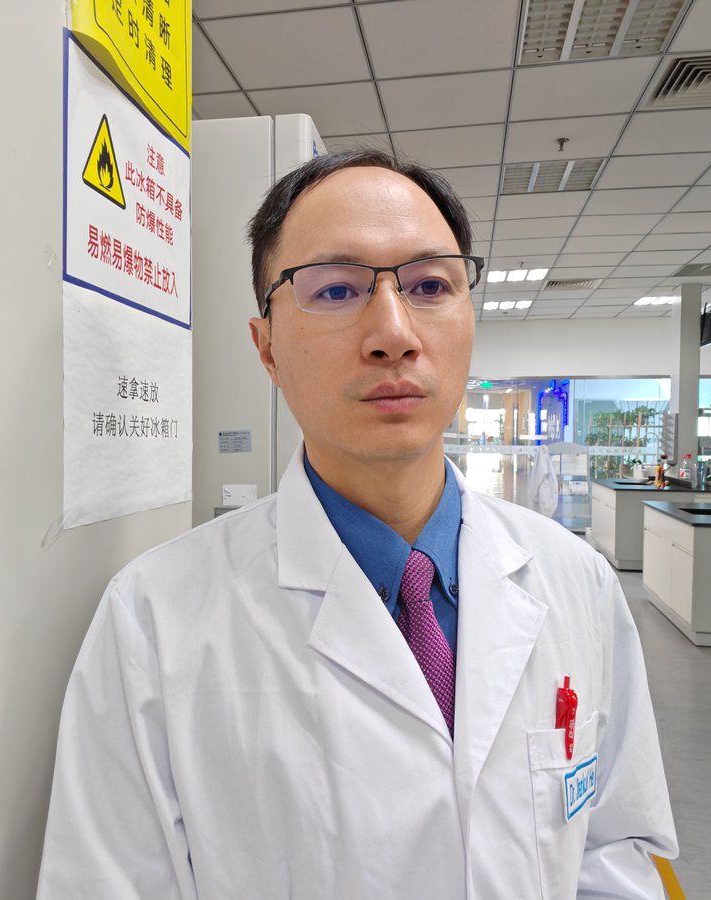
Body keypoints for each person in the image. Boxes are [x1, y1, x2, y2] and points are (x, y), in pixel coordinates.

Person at [37, 150, 677, 899]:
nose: (393, 333)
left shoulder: (577, 582)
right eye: (336, 289)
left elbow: (615, 849)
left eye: (430, 285)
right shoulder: (153, 619)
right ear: (267, 348)